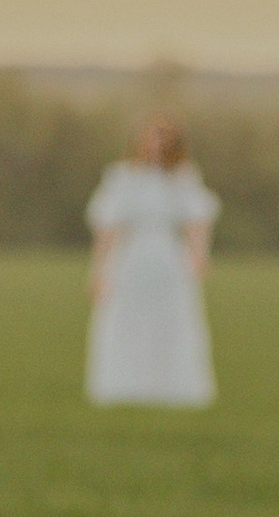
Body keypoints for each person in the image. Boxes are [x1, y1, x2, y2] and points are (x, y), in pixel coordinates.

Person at [85, 118, 219, 406]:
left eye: (163, 140)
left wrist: (199, 256)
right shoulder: (123, 176)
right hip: (131, 257)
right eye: (151, 138)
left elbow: (195, 222)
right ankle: (126, 386)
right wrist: (98, 270)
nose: (156, 146)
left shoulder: (183, 177)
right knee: (126, 320)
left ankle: (171, 388)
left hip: (168, 257)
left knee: (173, 319)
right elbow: (109, 227)